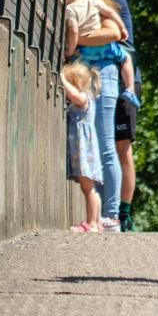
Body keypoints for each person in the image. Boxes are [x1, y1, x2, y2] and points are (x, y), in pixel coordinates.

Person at [71, 0, 142, 232]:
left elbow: (118, 37)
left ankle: (120, 213)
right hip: (103, 73)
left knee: (119, 147)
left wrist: (78, 40)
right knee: (107, 145)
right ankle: (112, 213)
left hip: (122, 77)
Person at [58, 0, 127, 232]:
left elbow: (114, 32)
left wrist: (76, 42)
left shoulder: (87, 3)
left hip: (100, 74)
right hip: (85, 73)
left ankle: (109, 215)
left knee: (106, 144)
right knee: (98, 145)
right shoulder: (85, 4)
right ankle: (99, 216)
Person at [62, 61, 103, 232]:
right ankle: (97, 222)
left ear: (76, 84)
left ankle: (91, 223)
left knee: (88, 188)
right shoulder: (88, 99)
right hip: (85, 151)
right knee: (90, 188)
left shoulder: (83, 98)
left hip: (84, 152)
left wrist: (62, 79)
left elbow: (74, 95)